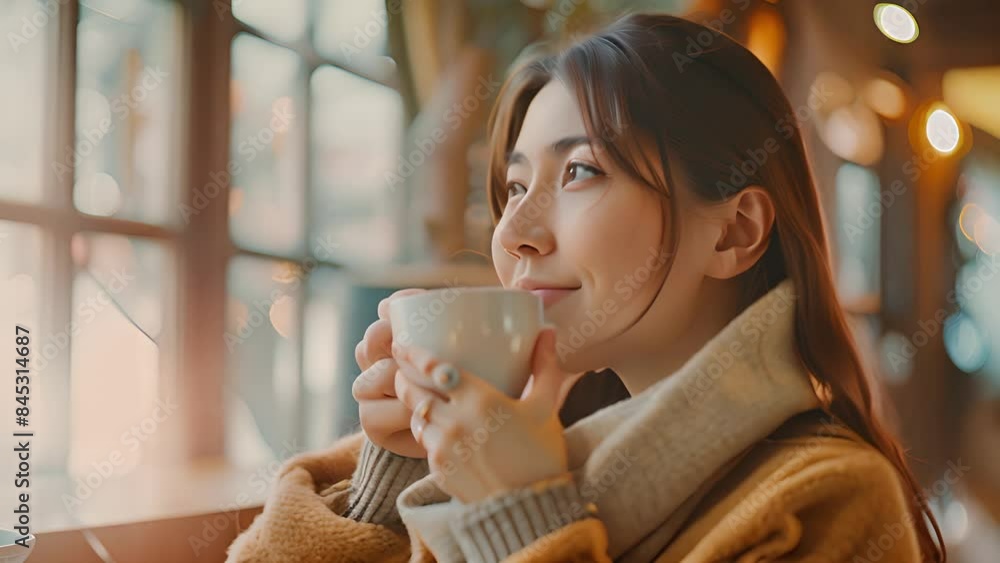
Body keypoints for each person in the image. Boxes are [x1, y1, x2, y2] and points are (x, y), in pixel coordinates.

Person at [227, 12, 944, 563]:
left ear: (731, 233)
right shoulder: (526, 445)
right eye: (513, 185)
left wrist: (520, 516)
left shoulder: (831, 499)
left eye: (579, 172)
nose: (513, 233)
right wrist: (393, 486)